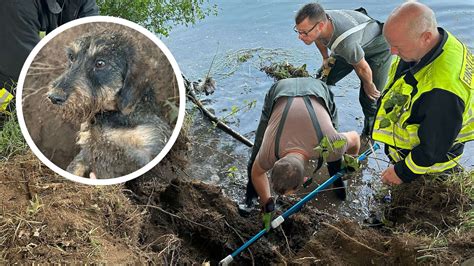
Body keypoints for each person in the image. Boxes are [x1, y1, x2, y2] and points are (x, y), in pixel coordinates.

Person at [372, 2, 473, 185]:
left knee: (417, 206)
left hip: (429, 169)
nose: (392, 52)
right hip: (429, 139)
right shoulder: (438, 42)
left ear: (426, 37)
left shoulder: (442, 92)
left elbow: (432, 149)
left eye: (398, 47)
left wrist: (402, 172)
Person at [244, 77, 360, 227]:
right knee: (256, 153)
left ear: (304, 180)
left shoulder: (330, 144)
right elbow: (257, 172)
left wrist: (351, 162)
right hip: (280, 91)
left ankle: (338, 180)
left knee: (335, 157)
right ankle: (249, 198)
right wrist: (267, 203)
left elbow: (355, 138)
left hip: (318, 91)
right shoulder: (269, 149)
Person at [294, 3, 392, 137]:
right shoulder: (319, 21)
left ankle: (369, 136)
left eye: (304, 33)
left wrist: (368, 85)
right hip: (354, 44)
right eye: (298, 31)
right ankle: (317, 119)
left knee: (370, 98)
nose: (300, 36)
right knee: (323, 78)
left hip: (377, 48)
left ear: (320, 26)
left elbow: (362, 67)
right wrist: (325, 58)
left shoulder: (345, 43)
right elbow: (317, 38)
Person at [0, 0, 99, 90]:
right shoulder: (16, 4)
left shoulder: (84, 3)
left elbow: (91, 39)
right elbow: (26, 64)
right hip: (11, 84)